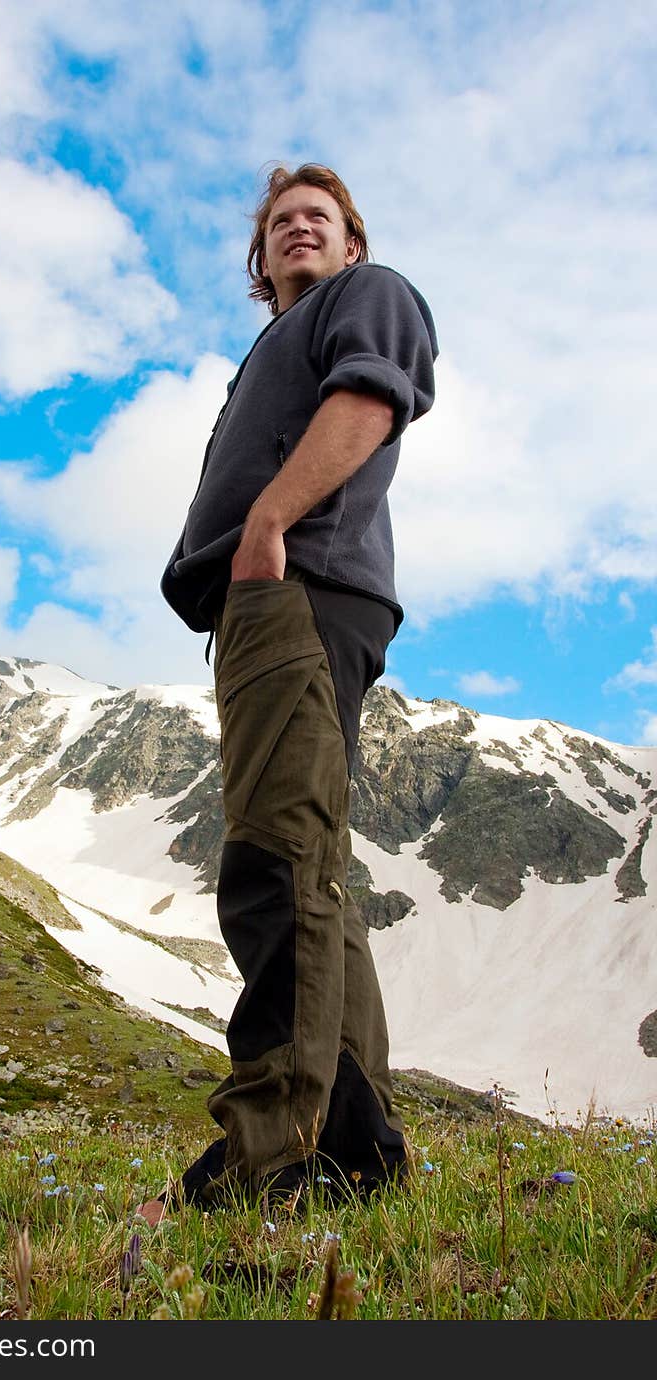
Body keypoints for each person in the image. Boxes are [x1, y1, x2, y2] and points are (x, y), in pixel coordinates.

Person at [142, 164, 438, 1225]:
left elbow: (370, 397)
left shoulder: (372, 294)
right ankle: (359, 1150)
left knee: (273, 863)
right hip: (284, 597)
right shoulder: (274, 340)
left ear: (350, 243)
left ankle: (264, 1154)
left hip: (296, 585)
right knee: (313, 866)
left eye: (319, 217)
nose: (299, 228)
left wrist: (267, 527)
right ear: (259, 262)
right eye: (279, 223)